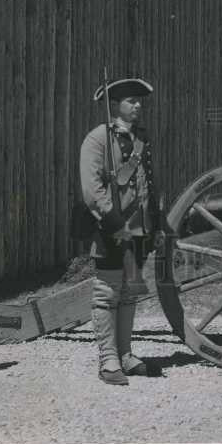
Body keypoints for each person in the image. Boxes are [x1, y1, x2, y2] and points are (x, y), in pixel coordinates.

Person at [80, 76, 156, 385]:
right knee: (106, 294)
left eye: (140, 101)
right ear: (115, 105)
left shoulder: (141, 138)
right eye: (131, 101)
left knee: (128, 295)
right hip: (110, 226)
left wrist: (153, 222)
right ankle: (108, 360)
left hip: (138, 227)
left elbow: (148, 183)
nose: (137, 106)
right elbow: (91, 189)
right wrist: (114, 224)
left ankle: (125, 354)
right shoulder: (98, 139)